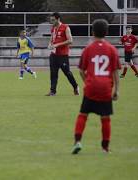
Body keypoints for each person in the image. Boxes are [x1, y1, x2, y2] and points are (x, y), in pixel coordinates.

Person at [72, 19, 121, 154]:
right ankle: (105, 148)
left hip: (91, 87)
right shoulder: (112, 49)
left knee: (83, 114)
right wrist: (116, 90)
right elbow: (115, 71)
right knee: (105, 118)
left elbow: (81, 70)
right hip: (105, 88)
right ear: (106, 32)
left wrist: (87, 81)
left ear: (92, 32)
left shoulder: (88, 49)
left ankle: (77, 142)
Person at [46, 12, 79, 96]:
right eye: (51, 20)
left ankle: (75, 86)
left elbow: (70, 40)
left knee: (67, 73)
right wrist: (50, 44)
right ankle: (53, 91)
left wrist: (57, 44)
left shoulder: (65, 27)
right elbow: (51, 39)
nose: (52, 22)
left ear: (58, 19)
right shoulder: (53, 28)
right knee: (53, 73)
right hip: (53, 55)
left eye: (53, 20)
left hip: (63, 55)